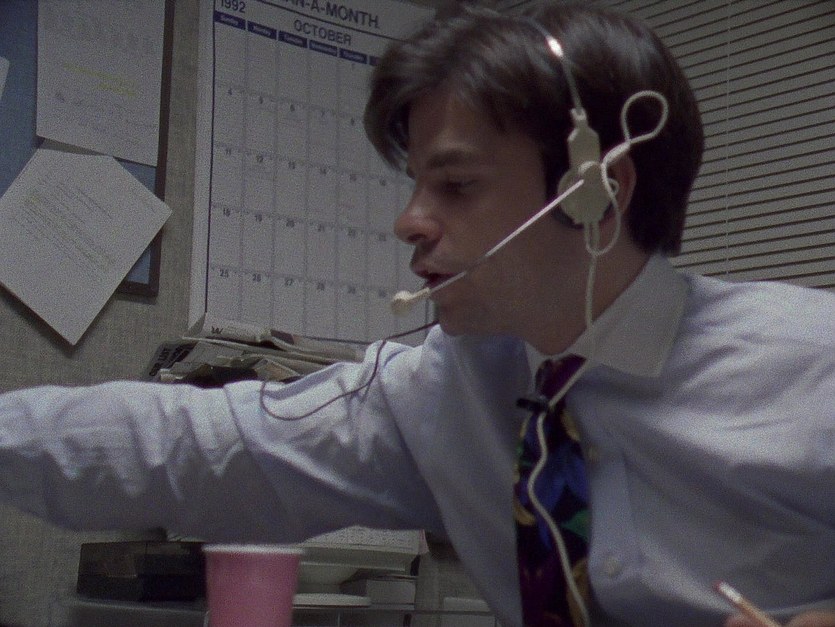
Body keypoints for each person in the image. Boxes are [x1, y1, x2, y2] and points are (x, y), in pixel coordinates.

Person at [0, 2, 832, 626]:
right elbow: (203, 444)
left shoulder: (812, 366)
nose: (408, 220)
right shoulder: (437, 391)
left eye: (456, 185)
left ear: (595, 194)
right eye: (416, 183)